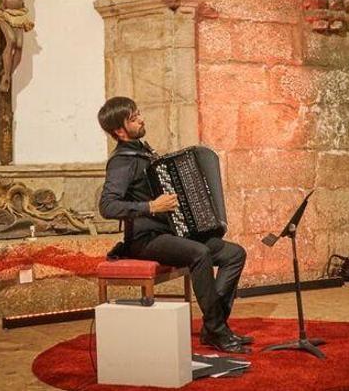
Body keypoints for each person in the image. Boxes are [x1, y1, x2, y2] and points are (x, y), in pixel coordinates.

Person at [97, 96, 252, 354]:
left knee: (234, 254)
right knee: (199, 253)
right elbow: (107, 206)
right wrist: (150, 207)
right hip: (144, 240)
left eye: (139, 113)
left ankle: (213, 327)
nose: (141, 119)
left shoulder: (144, 153)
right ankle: (217, 330)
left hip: (169, 233)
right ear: (119, 130)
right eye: (134, 118)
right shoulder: (122, 161)